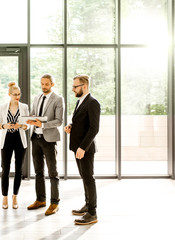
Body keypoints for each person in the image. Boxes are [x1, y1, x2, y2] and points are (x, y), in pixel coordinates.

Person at [64, 74, 100, 225]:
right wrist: (71, 127)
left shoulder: (93, 103)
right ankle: (87, 205)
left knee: (88, 178)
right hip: (78, 147)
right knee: (84, 178)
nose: (73, 89)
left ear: (84, 86)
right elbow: (80, 122)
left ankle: (92, 212)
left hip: (84, 149)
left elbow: (94, 128)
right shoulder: (81, 101)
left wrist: (82, 147)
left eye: (75, 86)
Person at [26, 74, 64, 216]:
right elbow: (33, 114)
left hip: (49, 140)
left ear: (52, 84)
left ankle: (54, 203)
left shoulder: (58, 99)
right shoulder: (36, 98)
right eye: (42, 83)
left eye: (47, 84)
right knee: (38, 172)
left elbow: (59, 121)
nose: (44, 86)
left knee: (53, 173)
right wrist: (29, 119)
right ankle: (40, 200)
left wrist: (42, 124)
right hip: (35, 138)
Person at [0, 82, 29, 209]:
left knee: (18, 170)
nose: (17, 96)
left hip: (20, 139)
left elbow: (28, 125)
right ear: (9, 94)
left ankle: (15, 196)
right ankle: (4, 197)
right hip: (7, 140)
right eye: (14, 94)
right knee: (5, 169)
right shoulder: (2, 107)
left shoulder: (24, 107)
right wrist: (5, 126)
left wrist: (19, 125)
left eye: (19, 94)